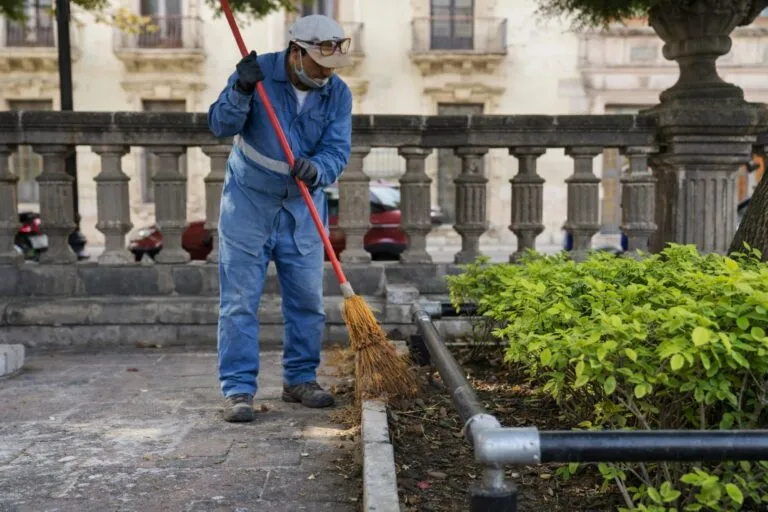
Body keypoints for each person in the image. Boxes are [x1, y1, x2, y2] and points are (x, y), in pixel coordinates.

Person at [207, 14, 354, 423]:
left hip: (303, 206)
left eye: (332, 67)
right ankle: (238, 390)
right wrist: (240, 89)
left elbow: (338, 149)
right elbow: (220, 124)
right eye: (319, 65)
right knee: (238, 302)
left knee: (307, 301)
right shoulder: (257, 74)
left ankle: (300, 380)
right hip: (248, 204)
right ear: (296, 52)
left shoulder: (338, 94)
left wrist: (319, 168)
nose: (326, 74)